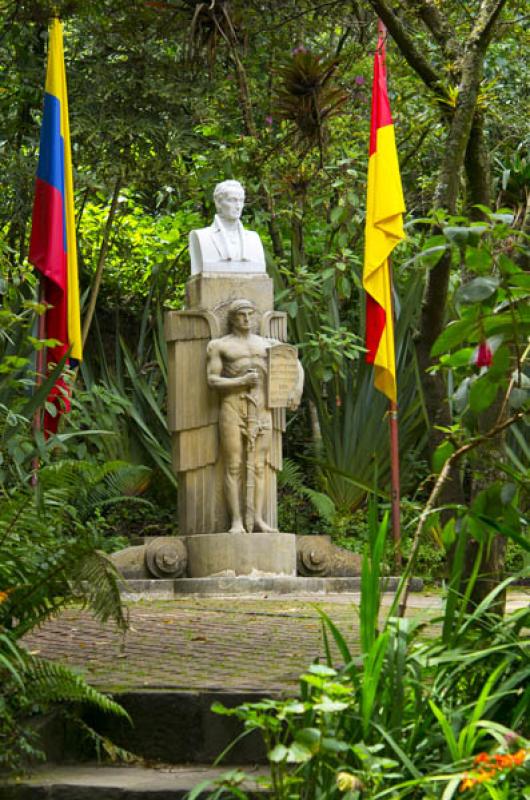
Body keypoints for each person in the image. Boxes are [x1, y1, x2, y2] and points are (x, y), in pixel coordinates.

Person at [206, 299, 302, 534]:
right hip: (232, 405)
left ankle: (257, 518)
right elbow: (212, 380)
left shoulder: (268, 344)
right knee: (234, 465)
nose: (247, 319)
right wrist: (241, 381)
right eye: (241, 315)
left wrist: (296, 391)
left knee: (259, 466)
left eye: (250, 314)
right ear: (232, 318)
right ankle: (237, 521)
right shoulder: (219, 345)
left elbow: (295, 363)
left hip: (262, 408)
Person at [189, 180, 266, 274]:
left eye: (241, 201)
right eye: (232, 200)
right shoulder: (202, 237)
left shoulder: (253, 239)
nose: (238, 206)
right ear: (218, 203)